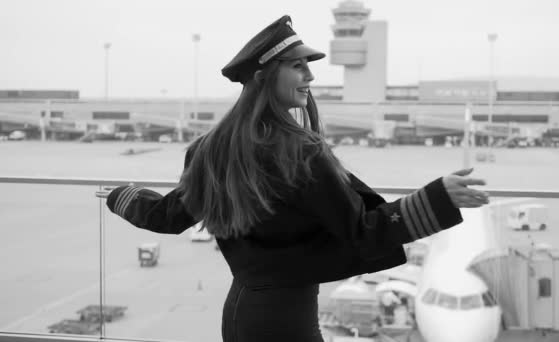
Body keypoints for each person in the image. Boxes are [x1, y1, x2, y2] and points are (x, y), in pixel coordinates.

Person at [105, 15, 489, 342]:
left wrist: (121, 195)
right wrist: (438, 199)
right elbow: (363, 231)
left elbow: (168, 217)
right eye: (298, 66)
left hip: (240, 313)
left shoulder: (212, 148)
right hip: (286, 320)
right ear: (263, 76)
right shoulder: (300, 154)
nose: (311, 75)